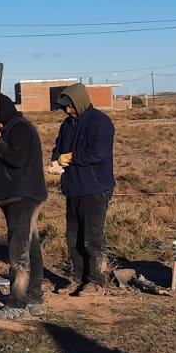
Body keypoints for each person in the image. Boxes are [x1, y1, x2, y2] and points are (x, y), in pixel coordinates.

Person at [0, 91, 49, 320]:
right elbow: (6, 167)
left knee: (18, 253)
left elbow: (17, 159)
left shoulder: (19, 129)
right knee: (31, 248)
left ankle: (17, 304)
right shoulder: (13, 128)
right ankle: (34, 298)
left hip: (22, 198)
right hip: (19, 195)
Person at [49, 84, 116, 296]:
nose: (68, 111)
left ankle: (95, 281)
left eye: (70, 106)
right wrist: (56, 160)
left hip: (95, 187)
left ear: (79, 102)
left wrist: (72, 157)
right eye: (64, 107)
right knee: (73, 238)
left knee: (91, 238)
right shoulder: (67, 124)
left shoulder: (100, 122)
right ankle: (78, 278)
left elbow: (99, 153)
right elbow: (59, 146)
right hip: (73, 187)